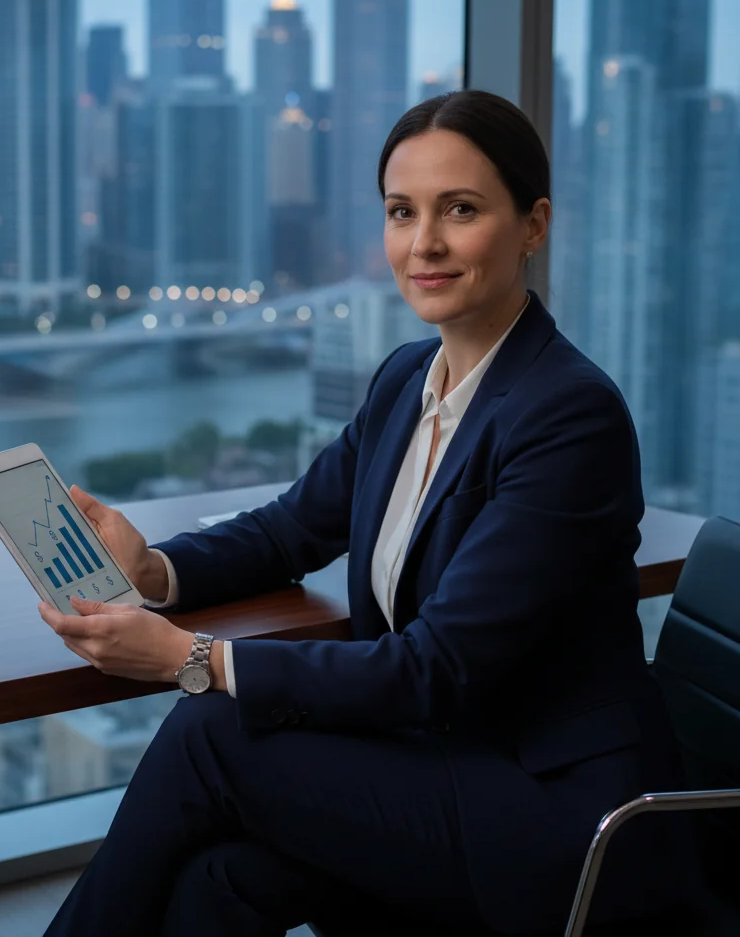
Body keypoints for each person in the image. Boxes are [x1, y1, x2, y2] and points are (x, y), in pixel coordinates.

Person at [40, 90, 696, 936]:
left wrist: (188, 658)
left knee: (210, 730)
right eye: (401, 212)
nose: (423, 243)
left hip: (558, 812)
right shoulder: (404, 382)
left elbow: (436, 668)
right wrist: (152, 570)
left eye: (460, 210)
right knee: (221, 878)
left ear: (534, 225)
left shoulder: (569, 415)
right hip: (443, 761)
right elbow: (290, 528)